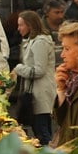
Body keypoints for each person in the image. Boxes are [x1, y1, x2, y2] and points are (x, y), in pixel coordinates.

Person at [12, 10, 57, 146]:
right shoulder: (32, 41)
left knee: (42, 131)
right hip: (36, 92)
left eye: (21, 25)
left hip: (40, 93)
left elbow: (39, 70)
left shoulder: (40, 43)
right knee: (39, 128)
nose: (18, 28)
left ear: (30, 25)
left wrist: (19, 69)